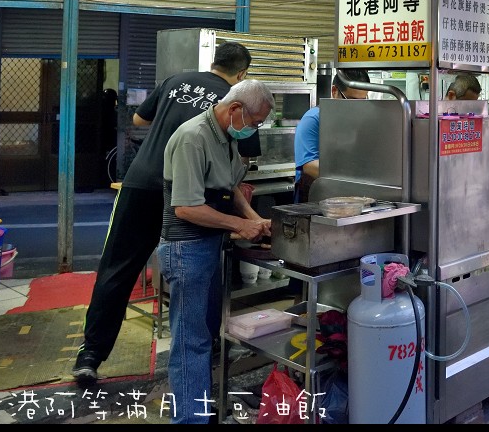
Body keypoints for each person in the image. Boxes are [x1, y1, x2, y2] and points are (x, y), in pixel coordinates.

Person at [72, 41, 252, 384]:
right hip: (192, 193)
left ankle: (90, 354)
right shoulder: (234, 102)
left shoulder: (176, 81)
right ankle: (208, 344)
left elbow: (139, 118)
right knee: (201, 269)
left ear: (213, 62)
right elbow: (242, 157)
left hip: (142, 182)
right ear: (242, 73)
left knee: (117, 267)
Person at [158, 78, 275, 424]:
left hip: (207, 247)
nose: (253, 130)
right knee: (189, 343)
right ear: (236, 109)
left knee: (206, 337)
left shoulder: (222, 137)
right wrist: (239, 226)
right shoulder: (193, 138)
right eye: (254, 123)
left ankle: (202, 413)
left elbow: (231, 187)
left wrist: (256, 220)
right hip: (186, 249)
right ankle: (190, 420)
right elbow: (186, 208)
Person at [293, 69, 371, 201]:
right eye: (352, 100)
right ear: (335, 91)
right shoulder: (314, 119)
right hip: (315, 197)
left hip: (349, 197)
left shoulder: (359, 121)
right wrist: (350, 180)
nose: (357, 107)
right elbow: (310, 166)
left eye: (362, 101)